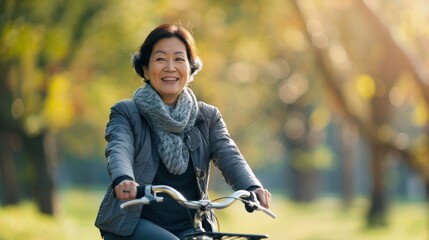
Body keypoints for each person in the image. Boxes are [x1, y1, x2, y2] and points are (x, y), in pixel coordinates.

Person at [95, 23, 272, 240]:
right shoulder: (127, 112)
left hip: (193, 225)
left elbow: (229, 154)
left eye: (179, 59)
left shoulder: (207, 116)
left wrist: (252, 187)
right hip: (134, 224)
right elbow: (118, 148)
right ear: (145, 70)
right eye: (160, 59)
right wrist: (123, 179)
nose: (170, 67)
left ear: (190, 70)